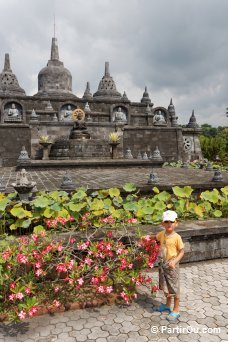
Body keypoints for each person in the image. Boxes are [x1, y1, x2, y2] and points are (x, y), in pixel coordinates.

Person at [150, 210, 184, 321]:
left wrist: (175, 261)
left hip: (171, 266)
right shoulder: (161, 234)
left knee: (174, 288)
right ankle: (167, 305)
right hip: (162, 264)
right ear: (162, 224)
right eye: (166, 222)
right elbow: (154, 238)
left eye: (171, 222)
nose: (169, 224)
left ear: (176, 223)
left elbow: (182, 251)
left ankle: (176, 309)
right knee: (165, 287)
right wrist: (144, 239)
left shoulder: (177, 237)